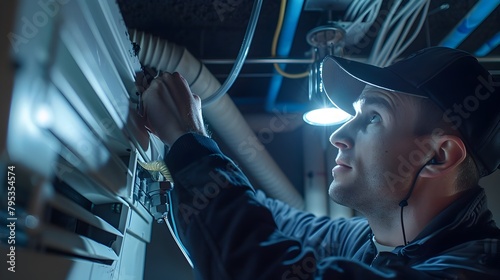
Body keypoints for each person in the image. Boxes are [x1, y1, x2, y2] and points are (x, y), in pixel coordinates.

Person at [140, 46, 500, 279]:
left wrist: (189, 143)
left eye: (373, 117)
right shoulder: (370, 242)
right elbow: (272, 218)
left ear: (438, 155)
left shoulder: (474, 271)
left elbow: (261, 269)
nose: (337, 135)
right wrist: (192, 142)